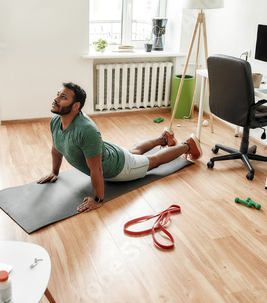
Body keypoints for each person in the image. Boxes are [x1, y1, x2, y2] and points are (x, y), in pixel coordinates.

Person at [37, 82, 202, 212]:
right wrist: (54, 172)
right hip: (109, 152)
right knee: (134, 151)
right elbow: (56, 149)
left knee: (153, 160)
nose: (56, 99)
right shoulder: (56, 121)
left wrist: (98, 200)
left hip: (120, 168)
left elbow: (97, 170)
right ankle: (163, 139)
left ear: (75, 106)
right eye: (58, 95)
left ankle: (188, 145)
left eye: (63, 97)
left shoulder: (86, 131)